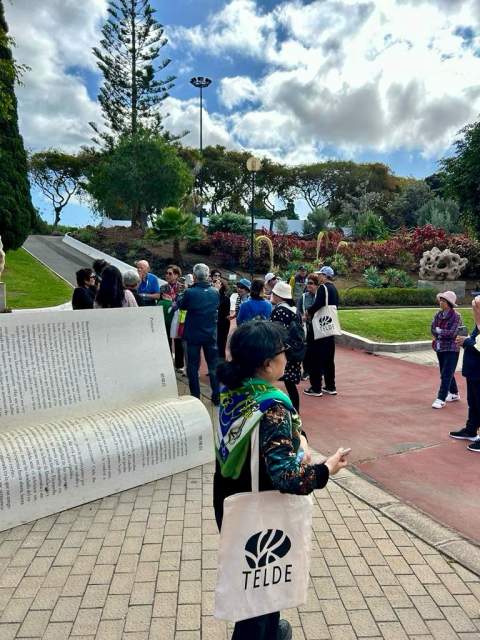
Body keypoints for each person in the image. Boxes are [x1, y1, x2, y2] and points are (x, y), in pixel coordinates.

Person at [214, 320, 349, 640]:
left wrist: (300, 437)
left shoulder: (234, 389)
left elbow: (274, 436)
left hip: (231, 498)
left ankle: (272, 631)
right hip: (261, 506)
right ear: (266, 363)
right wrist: (327, 469)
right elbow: (288, 478)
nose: (286, 358)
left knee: (257, 585)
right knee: (259, 593)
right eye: (282, 352)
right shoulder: (272, 405)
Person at [178, 263, 220, 404]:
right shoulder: (215, 292)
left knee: (193, 366)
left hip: (193, 334)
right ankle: (216, 396)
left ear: (194, 276)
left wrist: (185, 290)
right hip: (210, 334)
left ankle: (195, 397)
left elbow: (182, 305)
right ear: (207, 276)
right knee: (213, 366)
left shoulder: (190, 292)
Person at [450, 295, 480, 452]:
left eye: (476, 308)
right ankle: (471, 429)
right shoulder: (478, 326)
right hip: (473, 371)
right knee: (473, 402)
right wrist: (465, 341)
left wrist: (466, 341)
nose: (474, 311)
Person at [304, 265, 339, 397]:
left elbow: (318, 304)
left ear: (325, 276)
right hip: (330, 327)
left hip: (320, 328)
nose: (318, 277)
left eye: (320, 274)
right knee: (329, 358)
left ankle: (316, 387)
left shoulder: (323, 288)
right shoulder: (334, 289)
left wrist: (308, 312)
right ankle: (330, 386)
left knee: (315, 357)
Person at [270, 281, 302, 412]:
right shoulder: (294, 310)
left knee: (270, 378)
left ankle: (270, 409)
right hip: (295, 350)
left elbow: (276, 332)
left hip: (283, 352)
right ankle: (296, 411)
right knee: (290, 384)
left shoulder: (279, 311)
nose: (272, 295)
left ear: (279, 295)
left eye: (274, 293)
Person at [431, 291, 462, 409]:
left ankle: (441, 398)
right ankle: (454, 393)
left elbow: (453, 333)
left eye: (443, 301)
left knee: (446, 374)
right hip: (440, 347)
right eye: (440, 300)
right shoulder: (437, 315)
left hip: (452, 348)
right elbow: (432, 329)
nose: (441, 302)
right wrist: (440, 332)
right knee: (445, 371)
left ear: (449, 303)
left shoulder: (456, 316)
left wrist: (439, 331)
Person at [160, 265, 185, 372]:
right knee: (166, 341)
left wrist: (172, 300)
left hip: (178, 317)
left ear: (176, 275)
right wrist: (173, 300)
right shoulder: (163, 287)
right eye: (166, 273)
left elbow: (182, 302)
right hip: (166, 317)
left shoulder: (183, 288)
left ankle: (179, 365)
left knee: (178, 341)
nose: (167, 275)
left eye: (170, 273)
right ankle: (168, 363)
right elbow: (162, 301)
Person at [298, 273, 320, 380]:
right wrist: (301, 317)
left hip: (318, 328)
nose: (308, 285)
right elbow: (298, 311)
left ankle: (318, 370)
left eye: (311, 283)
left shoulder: (320, 297)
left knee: (317, 350)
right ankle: (306, 371)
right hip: (306, 328)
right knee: (306, 349)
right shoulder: (303, 297)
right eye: (307, 283)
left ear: (317, 285)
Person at [214, 276, 231, 360]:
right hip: (215, 323)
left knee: (221, 344)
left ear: (221, 285)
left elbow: (225, 313)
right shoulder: (213, 296)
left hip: (222, 324)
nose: (214, 284)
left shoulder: (225, 299)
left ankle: (221, 362)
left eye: (216, 283)